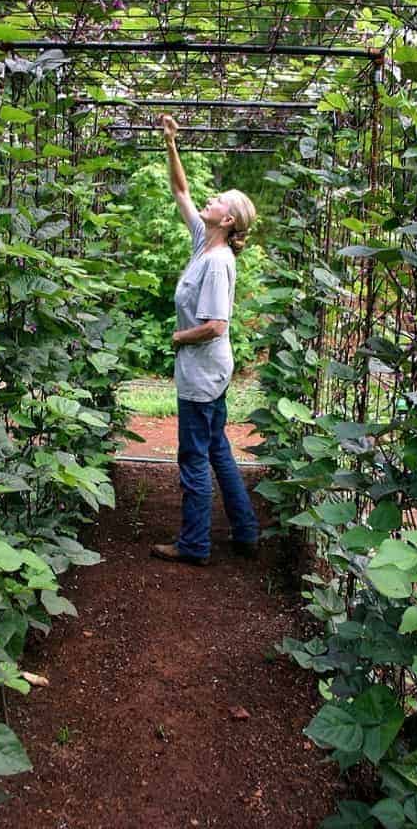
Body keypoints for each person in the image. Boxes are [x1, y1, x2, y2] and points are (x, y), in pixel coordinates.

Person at [150, 114, 260, 567]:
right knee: (217, 447)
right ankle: (246, 530)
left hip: (202, 372)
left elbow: (216, 324)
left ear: (228, 218)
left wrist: (178, 336)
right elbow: (181, 192)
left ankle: (194, 544)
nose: (208, 200)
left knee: (194, 456)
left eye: (218, 200)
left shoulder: (217, 263)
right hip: (209, 372)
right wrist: (171, 144)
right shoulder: (204, 241)